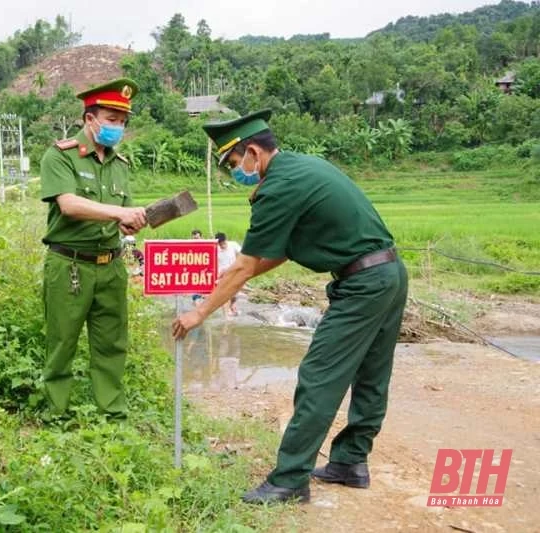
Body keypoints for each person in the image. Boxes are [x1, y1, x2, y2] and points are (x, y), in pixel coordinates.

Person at [172, 109, 408, 505]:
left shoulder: (277, 187)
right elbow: (273, 255)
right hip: (389, 273)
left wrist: (199, 312)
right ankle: (351, 462)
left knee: (319, 374)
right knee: (371, 373)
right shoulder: (302, 167)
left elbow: (246, 264)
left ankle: (289, 479)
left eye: (233, 164)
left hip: (363, 283)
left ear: (252, 152)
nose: (235, 175)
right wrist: (229, 283)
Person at [39, 78, 147, 419]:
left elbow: (122, 214)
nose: (118, 127)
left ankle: (112, 414)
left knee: (111, 343)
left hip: (111, 265)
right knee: (62, 341)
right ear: (90, 119)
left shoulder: (120, 165)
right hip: (70, 264)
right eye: (111, 120)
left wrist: (129, 222)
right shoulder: (60, 156)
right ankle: (56, 412)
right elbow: (69, 204)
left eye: (123, 122)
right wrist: (119, 212)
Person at [215, 232, 242, 317]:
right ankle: (226, 316)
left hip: (234, 273)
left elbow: (242, 255)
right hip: (222, 275)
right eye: (220, 244)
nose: (222, 246)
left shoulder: (233, 244)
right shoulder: (215, 249)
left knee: (234, 296)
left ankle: (231, 306)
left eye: (223, 243)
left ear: (226, 240)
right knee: (226, 295)